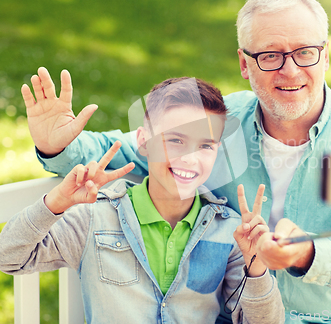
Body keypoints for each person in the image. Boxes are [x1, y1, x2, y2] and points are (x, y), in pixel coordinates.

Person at [24, 0, 331, 323]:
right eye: (271, 55)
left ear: (325, 56)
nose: (290, 70)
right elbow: (120, 151)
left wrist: (301, 252)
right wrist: (57, 144)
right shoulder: (222, 122)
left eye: (305, 52)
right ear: (244, 63)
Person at [0, 77, 285, 324]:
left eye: (205, 145)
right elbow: (9, 257)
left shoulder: (229, 232)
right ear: (143, 142)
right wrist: (55, 204)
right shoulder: (94, 216)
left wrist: (256, 266)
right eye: (175, 140)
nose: (189, 158)